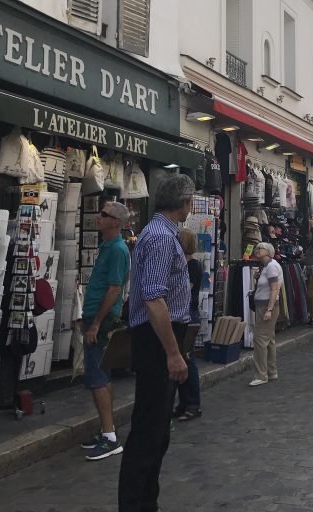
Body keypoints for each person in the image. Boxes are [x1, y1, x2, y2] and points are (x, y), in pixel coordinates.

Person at [119, 174, 194, 512]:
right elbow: (153, 298)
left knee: (155, 429)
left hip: (158, 337)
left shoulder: (159, 233)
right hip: (157, 339)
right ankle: (137, 503)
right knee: (150, 430)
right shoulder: (162, 238)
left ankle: (145, 501)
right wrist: (173, 353)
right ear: (184, 203)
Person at [79, 201, 132, 460]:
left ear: (116, 222)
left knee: (97, 376)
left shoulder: (118, 250)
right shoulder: (108, 247)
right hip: (95, 316)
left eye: (104, 215)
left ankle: (110, 436)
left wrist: (97, 322)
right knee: (104, 374)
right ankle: (106, 430)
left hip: (100, 319)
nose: (98, 217)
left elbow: (114, 288)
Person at [174, 229, 202, 420]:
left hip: (188, 314)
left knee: (187, 359)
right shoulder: (184, 264)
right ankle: (184, 402)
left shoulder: (192, 265)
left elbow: (185, 290)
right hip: (182, 314)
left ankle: (192, 403)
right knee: (181, 359)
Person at [248, 242, 283, 386]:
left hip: (267, 306)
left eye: (260, 248)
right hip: (264, 305)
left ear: (268, 251)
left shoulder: (272, 267)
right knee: (269, 340)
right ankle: (271, 371)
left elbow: (275, 289)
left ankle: (261, 374)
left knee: (260, 340)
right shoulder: (267, 267)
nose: (257, 250)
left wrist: (269, 309)